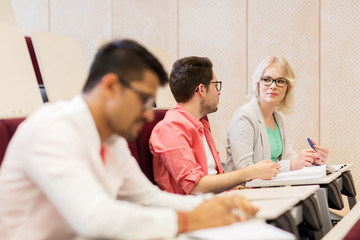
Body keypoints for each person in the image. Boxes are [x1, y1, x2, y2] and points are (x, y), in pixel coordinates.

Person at [0, 40, 258, 240]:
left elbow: (147, 198)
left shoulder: (111, 138)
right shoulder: (52, 128)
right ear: (111, 87)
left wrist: (215, 206)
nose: (148, 114)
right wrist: (187, 220)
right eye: (144, 100)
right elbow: (94, 217)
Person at [149, 56, 280, 195]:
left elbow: (211, 176)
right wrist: (251, 172)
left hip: (216, 202)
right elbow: (195, 187)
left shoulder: (201, 124)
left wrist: (235, 189)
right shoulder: (171, 129)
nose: (219, 91)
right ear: (202, 89)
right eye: (215, 85)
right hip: (195, 211)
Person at [225, 56, 329, 173]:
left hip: (273, 189)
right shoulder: (244, 116)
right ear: (258, 83)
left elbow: (289, 157)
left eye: (280, 81)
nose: (273, 86)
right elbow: (245, 169)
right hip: (244, 190)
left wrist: (310, 161)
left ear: (287, 88)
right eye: (267, 79)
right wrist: (293, 164)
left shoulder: (277, 117)